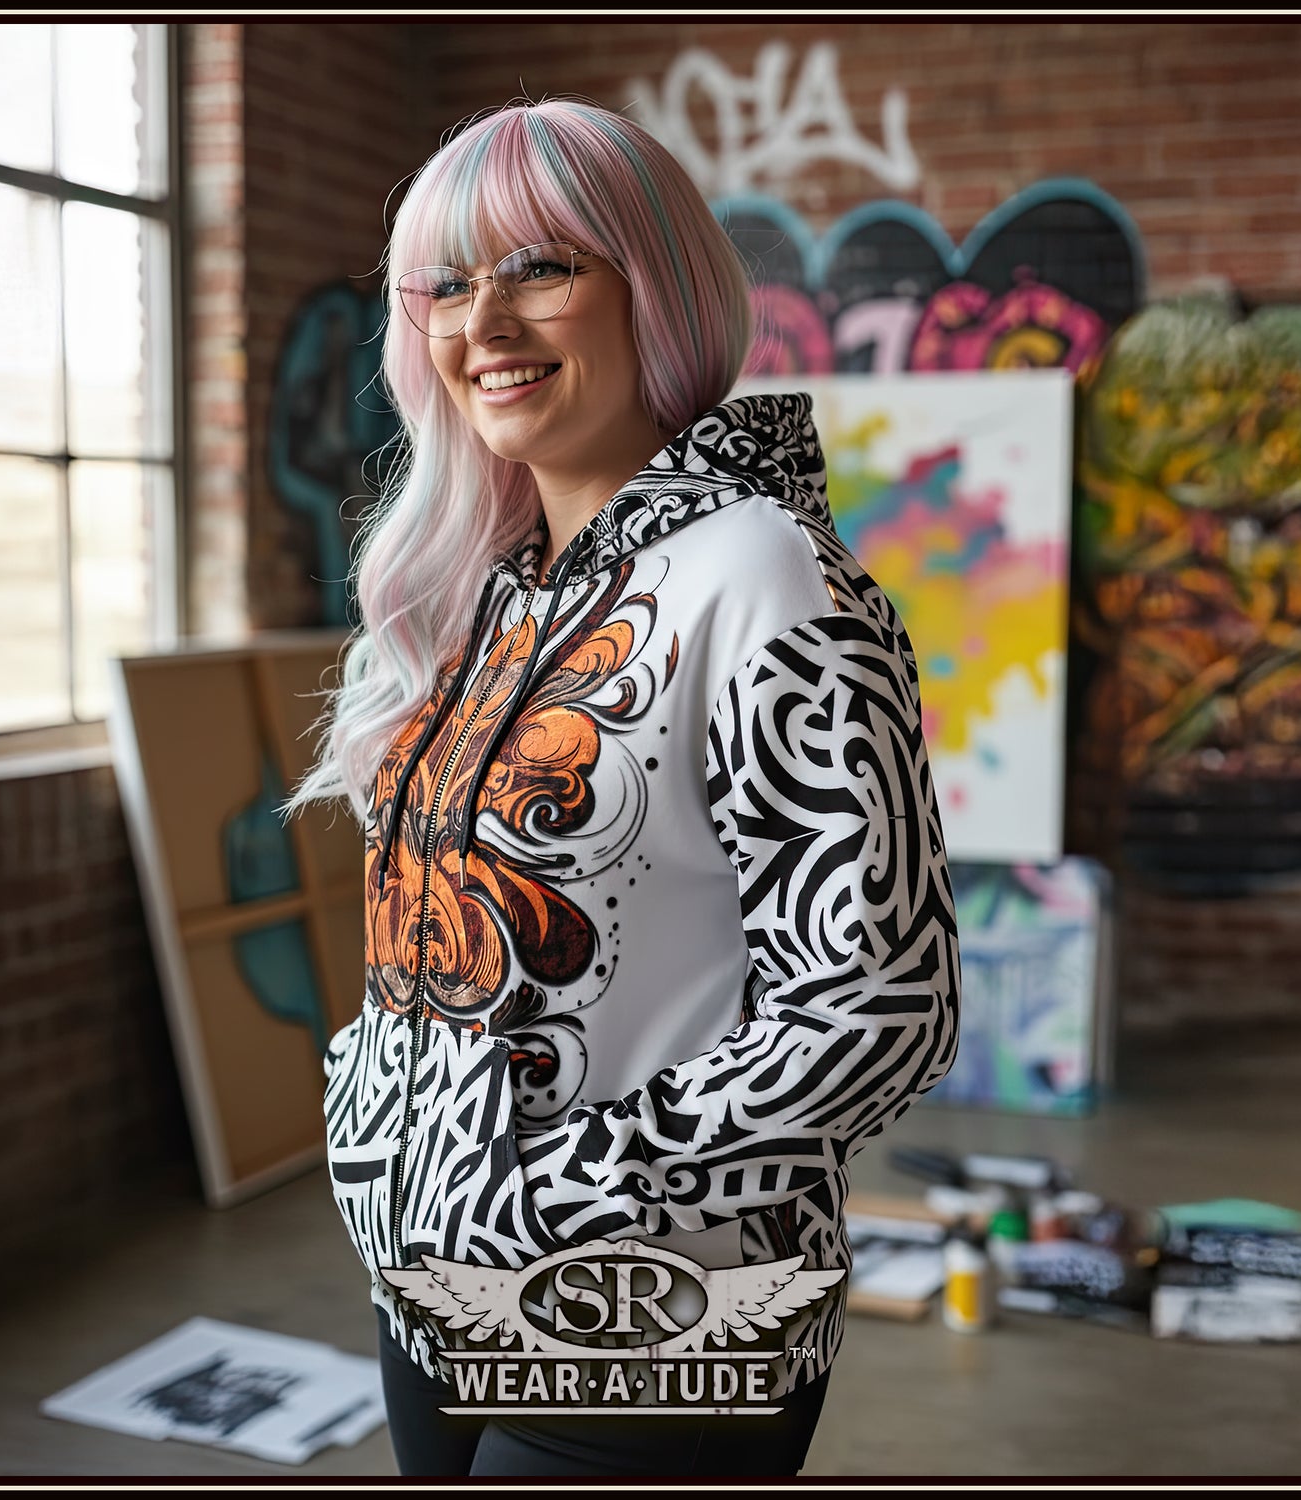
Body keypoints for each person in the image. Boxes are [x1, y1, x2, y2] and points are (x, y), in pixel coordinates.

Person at [278, 98, 961, 1478]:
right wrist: (378, 1113)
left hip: (658, 1304)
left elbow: (878, 1008)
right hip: (424, 1275)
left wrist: (554, 1190)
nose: (484, 324)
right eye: (448, 285)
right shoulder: (492, 588)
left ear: (655, 285)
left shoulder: (764, 573)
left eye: (542, 267)